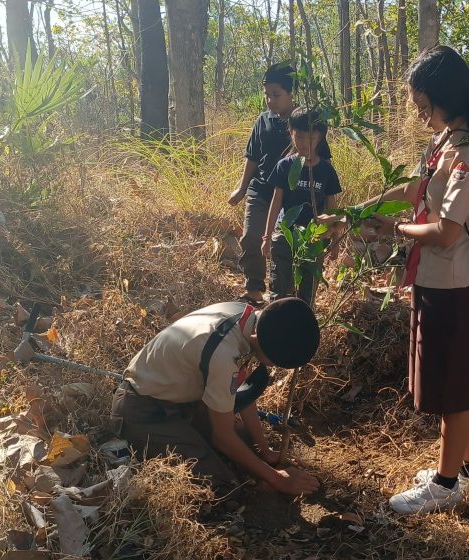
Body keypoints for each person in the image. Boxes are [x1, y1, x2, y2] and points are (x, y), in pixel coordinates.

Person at [350, 46, 469, 514]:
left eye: (420, 104)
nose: (418, 114)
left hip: (452, 283)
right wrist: (367, 209)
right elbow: (414, 188)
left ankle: (445, 482)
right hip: (436, 279)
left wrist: (394, 228)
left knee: (452, 388)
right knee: (463, 377)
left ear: (439, 97)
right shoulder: (445, 146)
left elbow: (445, 230)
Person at [110, 297, 321, 495]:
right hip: (142, 410)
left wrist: (265, 451)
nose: (273, 365)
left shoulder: (247, 316)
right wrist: (279, 480)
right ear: (259, 338)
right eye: (273, 361)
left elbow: (242, 396)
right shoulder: (224, 354)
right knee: (221, 483)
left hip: (183, 401)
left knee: (246, 442)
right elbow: (223, 438)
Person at [228, 64, 331, 307]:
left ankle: (290, 296)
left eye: (276, 95)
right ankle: (254, 288)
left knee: (287, 245)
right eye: (267, 95)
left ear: (290, 93)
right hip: (262, 189)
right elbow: (252, 157)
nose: (270, 101)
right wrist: (242, 188)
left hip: (294, 196)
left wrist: (325, 208)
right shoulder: (263, 121)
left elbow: (322, 161)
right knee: (252, 236)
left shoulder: (304, 122)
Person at [262, 108, 342, 304]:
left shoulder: (326, 171)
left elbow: (332, 207)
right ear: (291, 133)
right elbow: (276, 201)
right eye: (299, 137)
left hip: (314, 237)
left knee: (307, 290)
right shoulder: (285, 166)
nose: (305, 144)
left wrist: (335, 238)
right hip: (285, 235)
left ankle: (302, 327)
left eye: (311, 138)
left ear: (320, 138)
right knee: (280, 287)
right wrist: (267, 237)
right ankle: (274, 324)